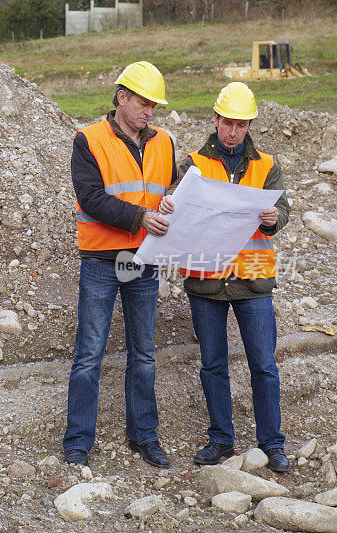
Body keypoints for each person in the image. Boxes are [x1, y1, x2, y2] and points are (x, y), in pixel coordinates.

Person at [159, 82, 291, 472]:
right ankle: (221, 440)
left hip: (252, 277)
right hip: (206, 275)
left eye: (240, 124)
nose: (232, 131)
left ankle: (272, 443)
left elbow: (281, 210)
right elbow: (176, 207)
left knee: (263, 364)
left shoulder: (267, 165)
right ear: (215, 118)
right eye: (226, 122)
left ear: (249, 124)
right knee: (213, 363)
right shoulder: (194, 163)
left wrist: (272, 219)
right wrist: (169, 202)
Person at [63, 61, 177, 468]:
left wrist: (169, 204)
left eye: (154, 105)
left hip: (143, 261)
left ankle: (144, 435)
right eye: (143, 103)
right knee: (89, 354)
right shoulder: (88, 140)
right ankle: (78, 442)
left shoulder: (163, 141)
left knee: (144, 353)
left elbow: (171, 188)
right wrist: (140, 217)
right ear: (121, 97)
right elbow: (91, 198)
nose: (149, 111)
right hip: (101, 259)